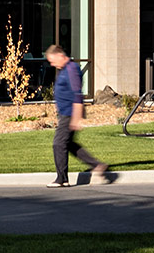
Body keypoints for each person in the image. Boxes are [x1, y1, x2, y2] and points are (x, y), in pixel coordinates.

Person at [44, 44, 110, 187]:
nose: (52, 64)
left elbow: (77, 94)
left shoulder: (72, 69)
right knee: (68, 144)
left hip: (70, 113)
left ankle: (62, 179)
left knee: (58, 144)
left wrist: (76, 118)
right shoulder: (65, 69)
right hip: (65, 113)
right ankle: (98, 165)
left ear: (61, 55)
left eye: (52, 60)